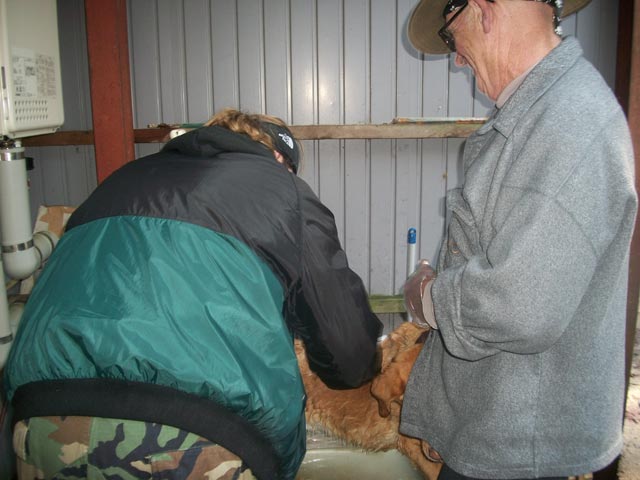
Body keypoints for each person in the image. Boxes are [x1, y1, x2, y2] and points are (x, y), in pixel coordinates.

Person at [2, 108, 382, 480]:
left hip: (41, 420)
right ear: (278, 156)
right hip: (195, 437)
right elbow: (345, 348)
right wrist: (369, 370)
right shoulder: (282, 187)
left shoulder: (120, 180)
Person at [401, 0, 638, 479]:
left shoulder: (569, 123)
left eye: (451, 39)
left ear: (484, 10)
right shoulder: (542, 115)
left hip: (519, 452)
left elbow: (521, 303)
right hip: (500, 432)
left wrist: (429, 299)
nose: (459, 59)